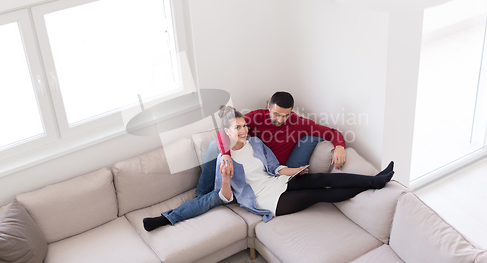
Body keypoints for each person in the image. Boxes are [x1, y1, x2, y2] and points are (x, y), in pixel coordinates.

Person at [143, 92, 349, 231]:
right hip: (254, 173)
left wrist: (339, 145)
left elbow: (330, 132)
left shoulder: (297, 122)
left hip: (274, 170)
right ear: (268, 106)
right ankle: (180, 208)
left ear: (291, 113)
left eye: (285, 116)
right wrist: (225, 155)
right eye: (276, 113)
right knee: (213, 177)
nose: (280, 120)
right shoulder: (254, 122)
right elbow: (225, 134)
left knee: (310, 145)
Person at [214, 106, 394, 221]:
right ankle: (373, 184)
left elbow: (274, 168)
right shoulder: (224, 160)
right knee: (318, 195)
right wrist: (225, 179)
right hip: (265, 199)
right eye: (238, 128)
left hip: (275, 181)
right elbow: (226, 198)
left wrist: (295, 170)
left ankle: (374, 181)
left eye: (244, 126)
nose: (244, 130)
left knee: (321, 178)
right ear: (226, 132)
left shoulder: (254, 142)